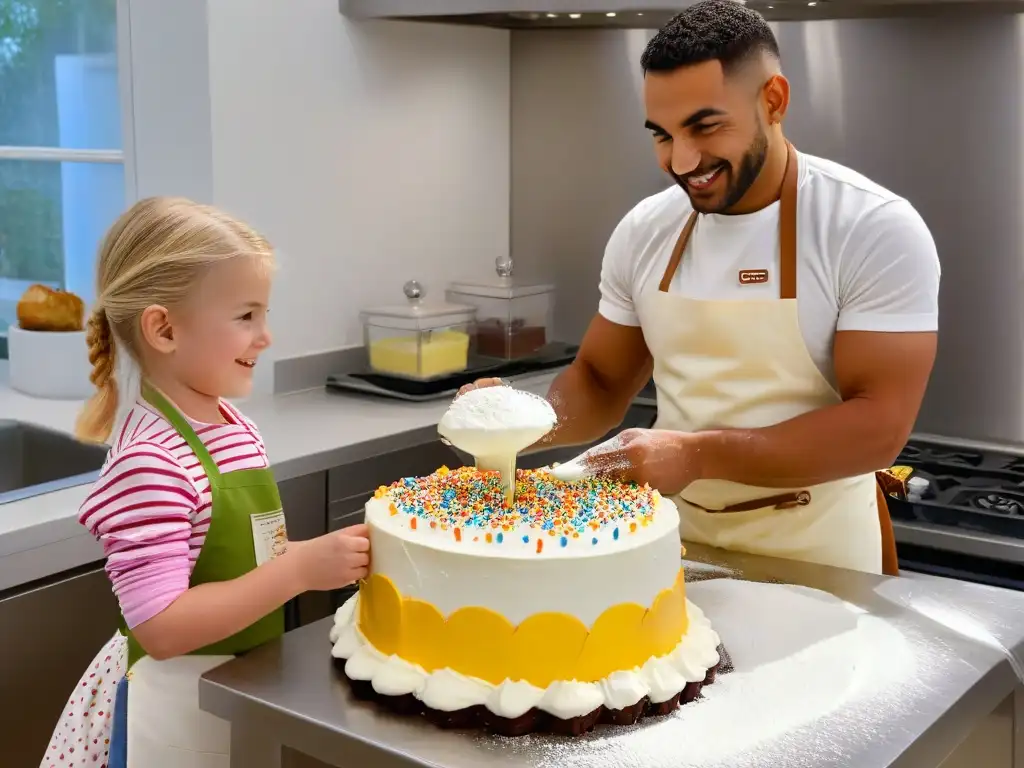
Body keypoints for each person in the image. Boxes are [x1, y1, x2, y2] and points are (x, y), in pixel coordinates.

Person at [462, 1, 939, 576]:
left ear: (774, 100)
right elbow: (600, 380)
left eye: (705, 126)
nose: (682, 160)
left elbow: (878, 426)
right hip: (674, 547)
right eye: (661, 135)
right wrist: (521, 421)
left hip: (820, 556)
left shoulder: (869, 227)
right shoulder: (646, 230)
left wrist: (694, 454)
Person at [41, 198, 371, 768]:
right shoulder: (150, 463)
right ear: (164, 328)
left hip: (234, 696)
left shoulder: (232, 426)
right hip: (172, 716)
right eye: (246, 316)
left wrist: (324, 557)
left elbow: (244, 560)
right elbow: (162, 626)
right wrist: (297, 571)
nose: (266, 336)